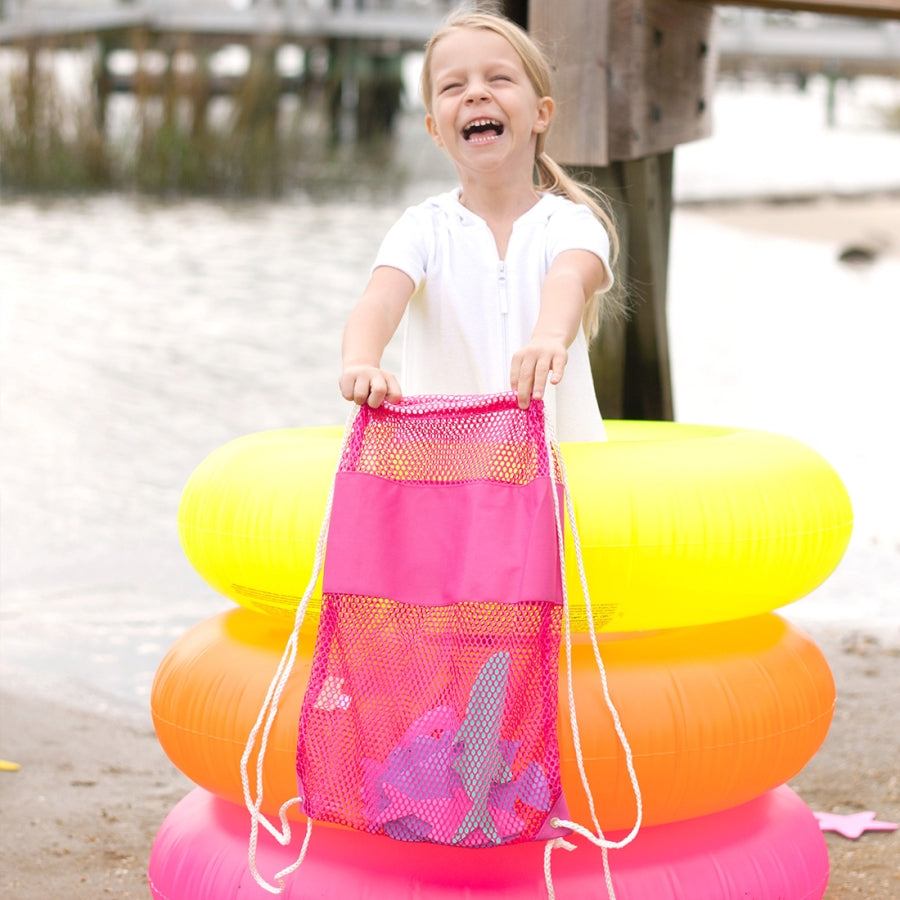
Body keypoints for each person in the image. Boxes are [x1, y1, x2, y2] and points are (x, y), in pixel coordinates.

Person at [339, 9, 623, 441]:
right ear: (435, 129)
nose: (475, 94)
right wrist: (361, 362)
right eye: (453, 86)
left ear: (541, 114)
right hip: (449, 465)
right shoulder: (421, 229)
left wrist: (549, 338)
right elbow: (378, 301)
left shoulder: (572, 224)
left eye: (499, 79)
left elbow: (568, 279)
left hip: (558, 465)